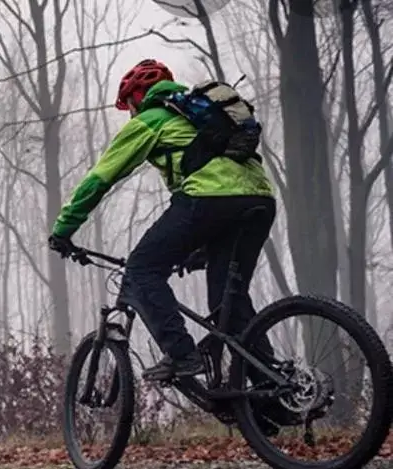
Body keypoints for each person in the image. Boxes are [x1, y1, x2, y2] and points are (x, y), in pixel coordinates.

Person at [47, 59, 277, 384]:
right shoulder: (201, 119)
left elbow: (99, 178)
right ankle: (274, 396)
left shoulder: (152, 119)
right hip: (260, 199)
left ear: (138, 96)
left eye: (128, 105)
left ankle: (182, 355)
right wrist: (199, 247)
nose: (130, 112)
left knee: (141, 270)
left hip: (209, 198)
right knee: (229, 301)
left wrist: (63, 229)